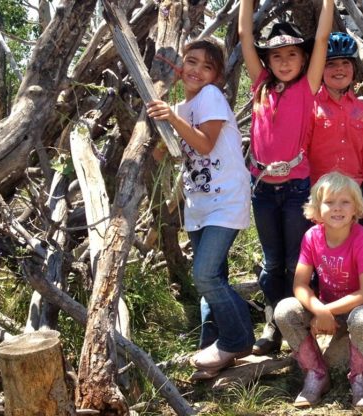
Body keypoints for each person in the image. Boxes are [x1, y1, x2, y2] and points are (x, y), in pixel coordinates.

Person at [146, 39, 254, 373]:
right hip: (199, 204)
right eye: (191, 62)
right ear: (179, 68)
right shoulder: (178, 108)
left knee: (205, 275)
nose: (197, 70)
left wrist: (172, 119)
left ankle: (237, 339)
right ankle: (212, 343)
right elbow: (160, 155)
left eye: (207, 67)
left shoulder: (210, 96)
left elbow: (205, 145)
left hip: (226, 199)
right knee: (214, 277)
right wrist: (157, 133)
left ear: (217, 77)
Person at [238, 0, 334, 356]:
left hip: (296, 188)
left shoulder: (307, 86)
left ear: (304, 59)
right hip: (263, 188)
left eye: (292, 54)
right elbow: (244, 34)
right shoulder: (260, 84)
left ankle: (298, 323)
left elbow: (321, 39)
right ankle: (273, 323)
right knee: (272, 261)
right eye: (276, 56)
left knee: (296, 260)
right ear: (267, 61)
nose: (283, 61)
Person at [274, 172, 363, 409]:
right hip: (328, 307)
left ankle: (360, 377)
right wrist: (319, 310)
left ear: (356, 207)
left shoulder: (362, 238)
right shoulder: (311, 237)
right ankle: (316, 373)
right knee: (284, 310)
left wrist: (326, 312)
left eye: (345, 202)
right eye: (329, 202)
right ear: (317, 208)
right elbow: (299, 285)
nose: (337, 208)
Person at [307, 32, 363, 225]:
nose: (339, 69)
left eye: (345, 63)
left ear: (354, 68)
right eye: (331, 64)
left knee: (357, 242)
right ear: (319, 69)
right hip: (319, 194)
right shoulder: (310, 107)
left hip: (354, 194)